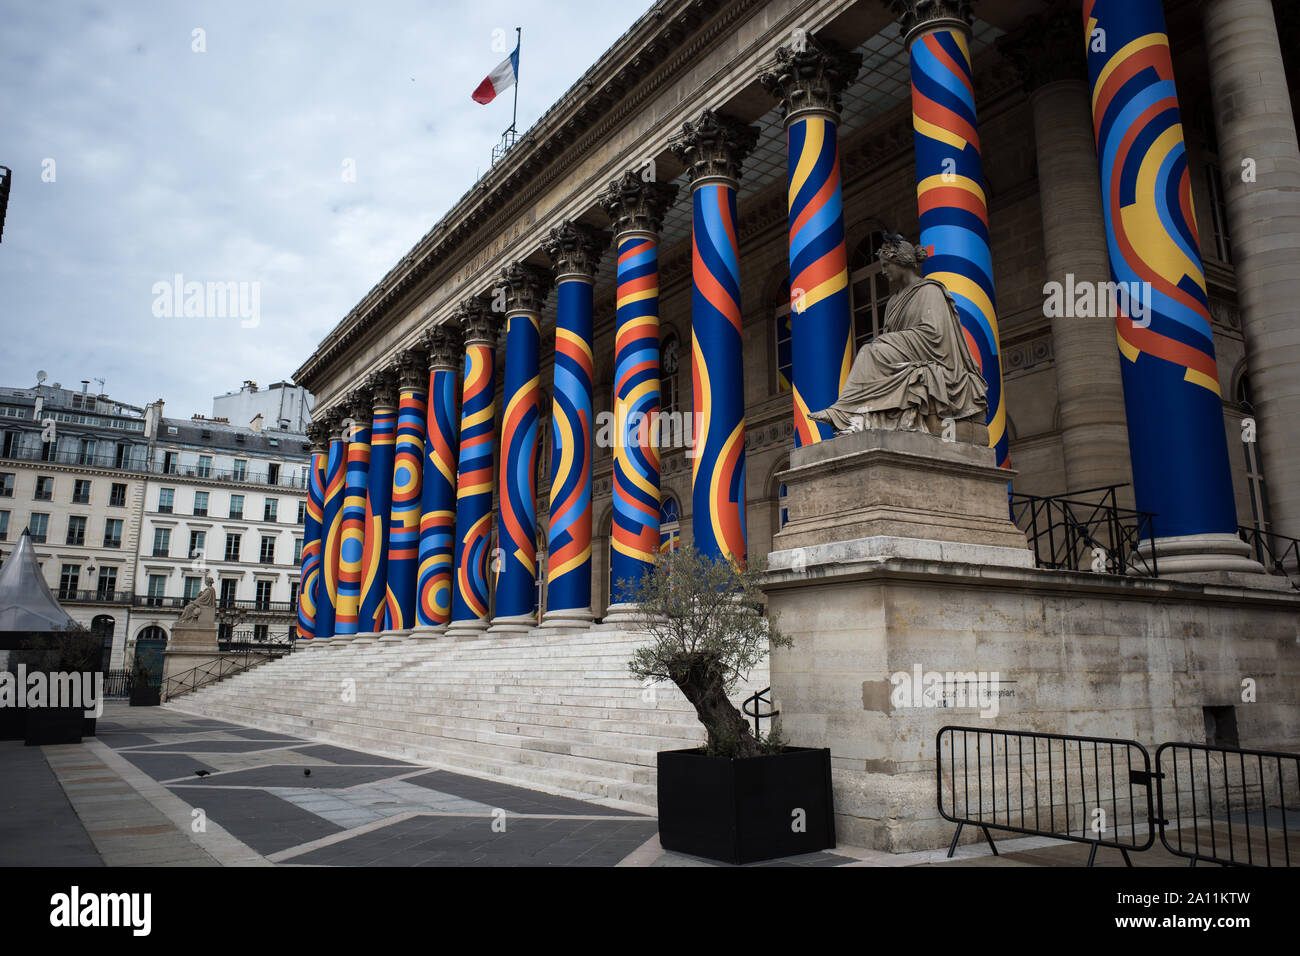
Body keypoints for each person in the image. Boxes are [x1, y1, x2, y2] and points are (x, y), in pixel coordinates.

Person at [809, 234, 987, 433]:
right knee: (873, 354)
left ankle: (842, 412)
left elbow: (936, 335)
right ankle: (857, 415)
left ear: (901, 261)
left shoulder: (930, 291)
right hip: (902, 355)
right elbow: (890, 338)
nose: (883, 272)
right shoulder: (893, 302)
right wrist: (891, 341)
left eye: (886, 265)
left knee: (869, 352)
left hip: (931, 354)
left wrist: (891, 340)